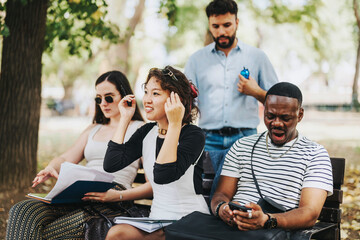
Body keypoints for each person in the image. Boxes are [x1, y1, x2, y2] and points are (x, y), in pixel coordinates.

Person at [6, 71, 145, 240]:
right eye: (98, 99)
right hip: (82, 194)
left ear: (125, 96)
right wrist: (51, 167)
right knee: (22, 211)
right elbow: (65, 158)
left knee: (48, 232)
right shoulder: (93, 129)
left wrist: (117, 196)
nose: (103, 103)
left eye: (109, 97)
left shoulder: (139, 128)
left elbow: (155, 179)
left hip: (113, 197)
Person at [209, 82, 333, 237]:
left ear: (300, 115)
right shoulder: (242, 145)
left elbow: (309, 213)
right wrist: (222, 209)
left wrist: (267, 220)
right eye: (270, 116)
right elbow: (221, 194)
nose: (276, 123)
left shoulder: (315, 154)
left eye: (285, 118)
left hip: (273, 231)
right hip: (230, 229)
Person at [103, 66, 210, 240]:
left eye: (156, 94)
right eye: (146, 92)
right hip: (157, 221)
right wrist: (124, 118)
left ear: (176, 100)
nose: (147, 100)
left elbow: (163, 174)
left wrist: (175, 124)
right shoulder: (147, 132)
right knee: (116, 235)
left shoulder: (193, 135)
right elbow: (111, 164)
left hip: (189, 221)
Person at [184, 0, 279, 195]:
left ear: (237, 22)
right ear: (209, 25)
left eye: (227, 25)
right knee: (205, 194)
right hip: (207, 139)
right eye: (215, 26)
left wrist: (256, 91)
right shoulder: (195, 60)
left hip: (246, 138)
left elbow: (279, 103)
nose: (221, 32)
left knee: (247, 193)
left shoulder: (257, 57)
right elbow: (187, 103)